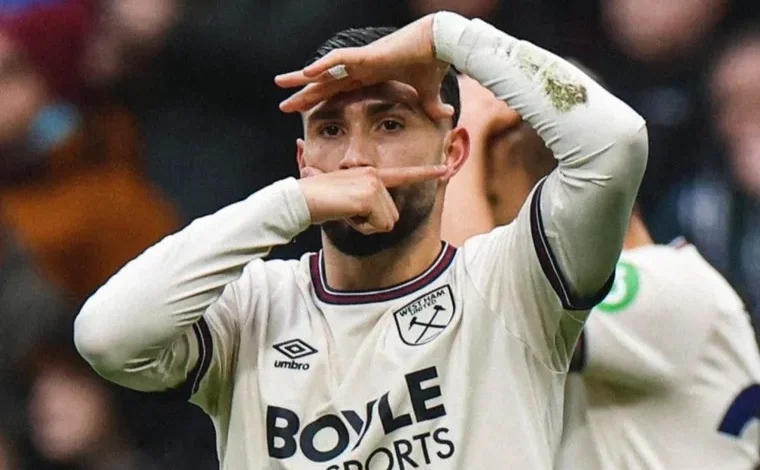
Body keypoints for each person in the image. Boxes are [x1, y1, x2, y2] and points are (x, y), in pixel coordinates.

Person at [74, 12, 648, 468]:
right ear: (304, 163)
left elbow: (616, 143)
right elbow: (106, 337)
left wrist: (444, 36)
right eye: (330, 130)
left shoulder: (511, 284)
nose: (355, 157)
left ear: (452, 153)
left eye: (389, 124)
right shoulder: (253, 306)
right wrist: (288, 205)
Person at [443, 76, 760, 469]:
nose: (483, 225)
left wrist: (467, 134)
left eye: (485, 199)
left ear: (556, 200)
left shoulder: (665, 284)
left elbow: (476, 309)